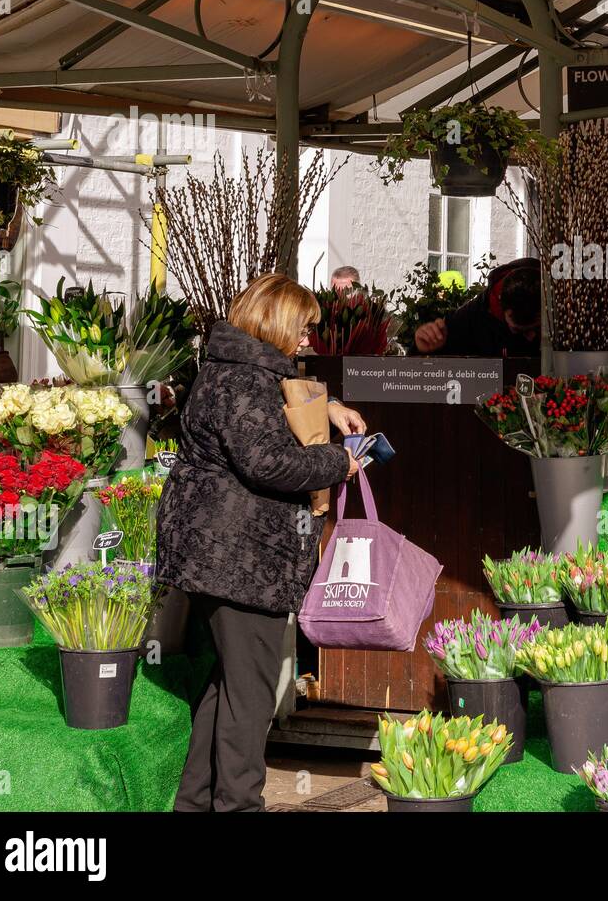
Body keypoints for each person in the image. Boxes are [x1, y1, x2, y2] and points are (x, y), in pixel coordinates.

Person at [157, 273, 365, 812]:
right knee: (250, 698)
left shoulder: (237, 369)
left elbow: (271, 417)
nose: (308, 341)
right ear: (275, 324)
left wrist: (331, 406)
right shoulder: (244, 380)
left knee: (229, 686)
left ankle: (197, 803)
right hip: (240, 560)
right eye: (303, 329)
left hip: (221, 557)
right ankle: (238, 804)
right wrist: (339, 462)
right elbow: (268, 460)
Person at [413, 258, 541, 358]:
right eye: (519, 331)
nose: (532, 337)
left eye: (539, 328)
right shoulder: (471, 317)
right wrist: (424, 349)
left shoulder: (558, 302)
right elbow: (428, 373)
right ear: (501, 305)